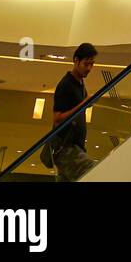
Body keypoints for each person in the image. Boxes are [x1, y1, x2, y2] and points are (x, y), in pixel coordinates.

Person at [51, 43, 97, 182]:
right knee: (93, 173)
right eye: (86, 64)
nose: (89, 68)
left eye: (92, 64)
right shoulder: (66, 85)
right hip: (66, 147)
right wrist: (84, 104)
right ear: (76, 61)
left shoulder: (80, 83)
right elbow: (57, 118)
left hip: (74, 147)